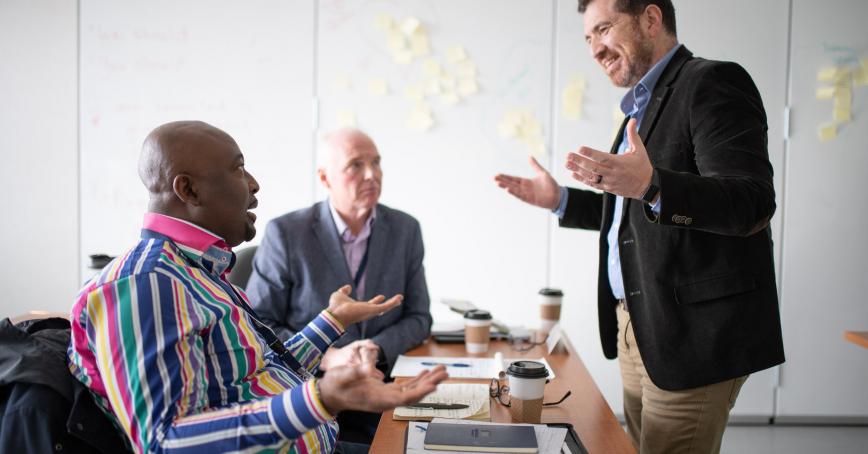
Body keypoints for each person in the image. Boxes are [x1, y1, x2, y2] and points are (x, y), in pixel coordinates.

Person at [494, 1, 784, 452]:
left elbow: (751, 203)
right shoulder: (641, 108)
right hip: (638, 327)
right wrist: (561, 201)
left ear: (651, 19)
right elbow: (637, 218)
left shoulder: (711, 82)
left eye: (604, 29)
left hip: (692, 335)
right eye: (588, 37)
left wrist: (652, 185)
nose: (595, 49)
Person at [67, 120, 447, 454]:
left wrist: (332, 321)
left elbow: (261, 368)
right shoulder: (145, 285)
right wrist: (321, 398)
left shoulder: (199, 268)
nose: (254, 184)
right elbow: (165, 442)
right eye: (239, 169)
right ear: (189, 190)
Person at [246, 128, 431, 373]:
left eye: (376, 163)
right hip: (310, 380)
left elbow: (419, 317)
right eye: (355, 165)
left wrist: (375, 348)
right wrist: (328, 356)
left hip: (382, 374)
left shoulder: (405, 229)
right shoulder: (286, 233)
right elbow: (257, 325)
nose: (371, 175)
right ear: (325, 178)